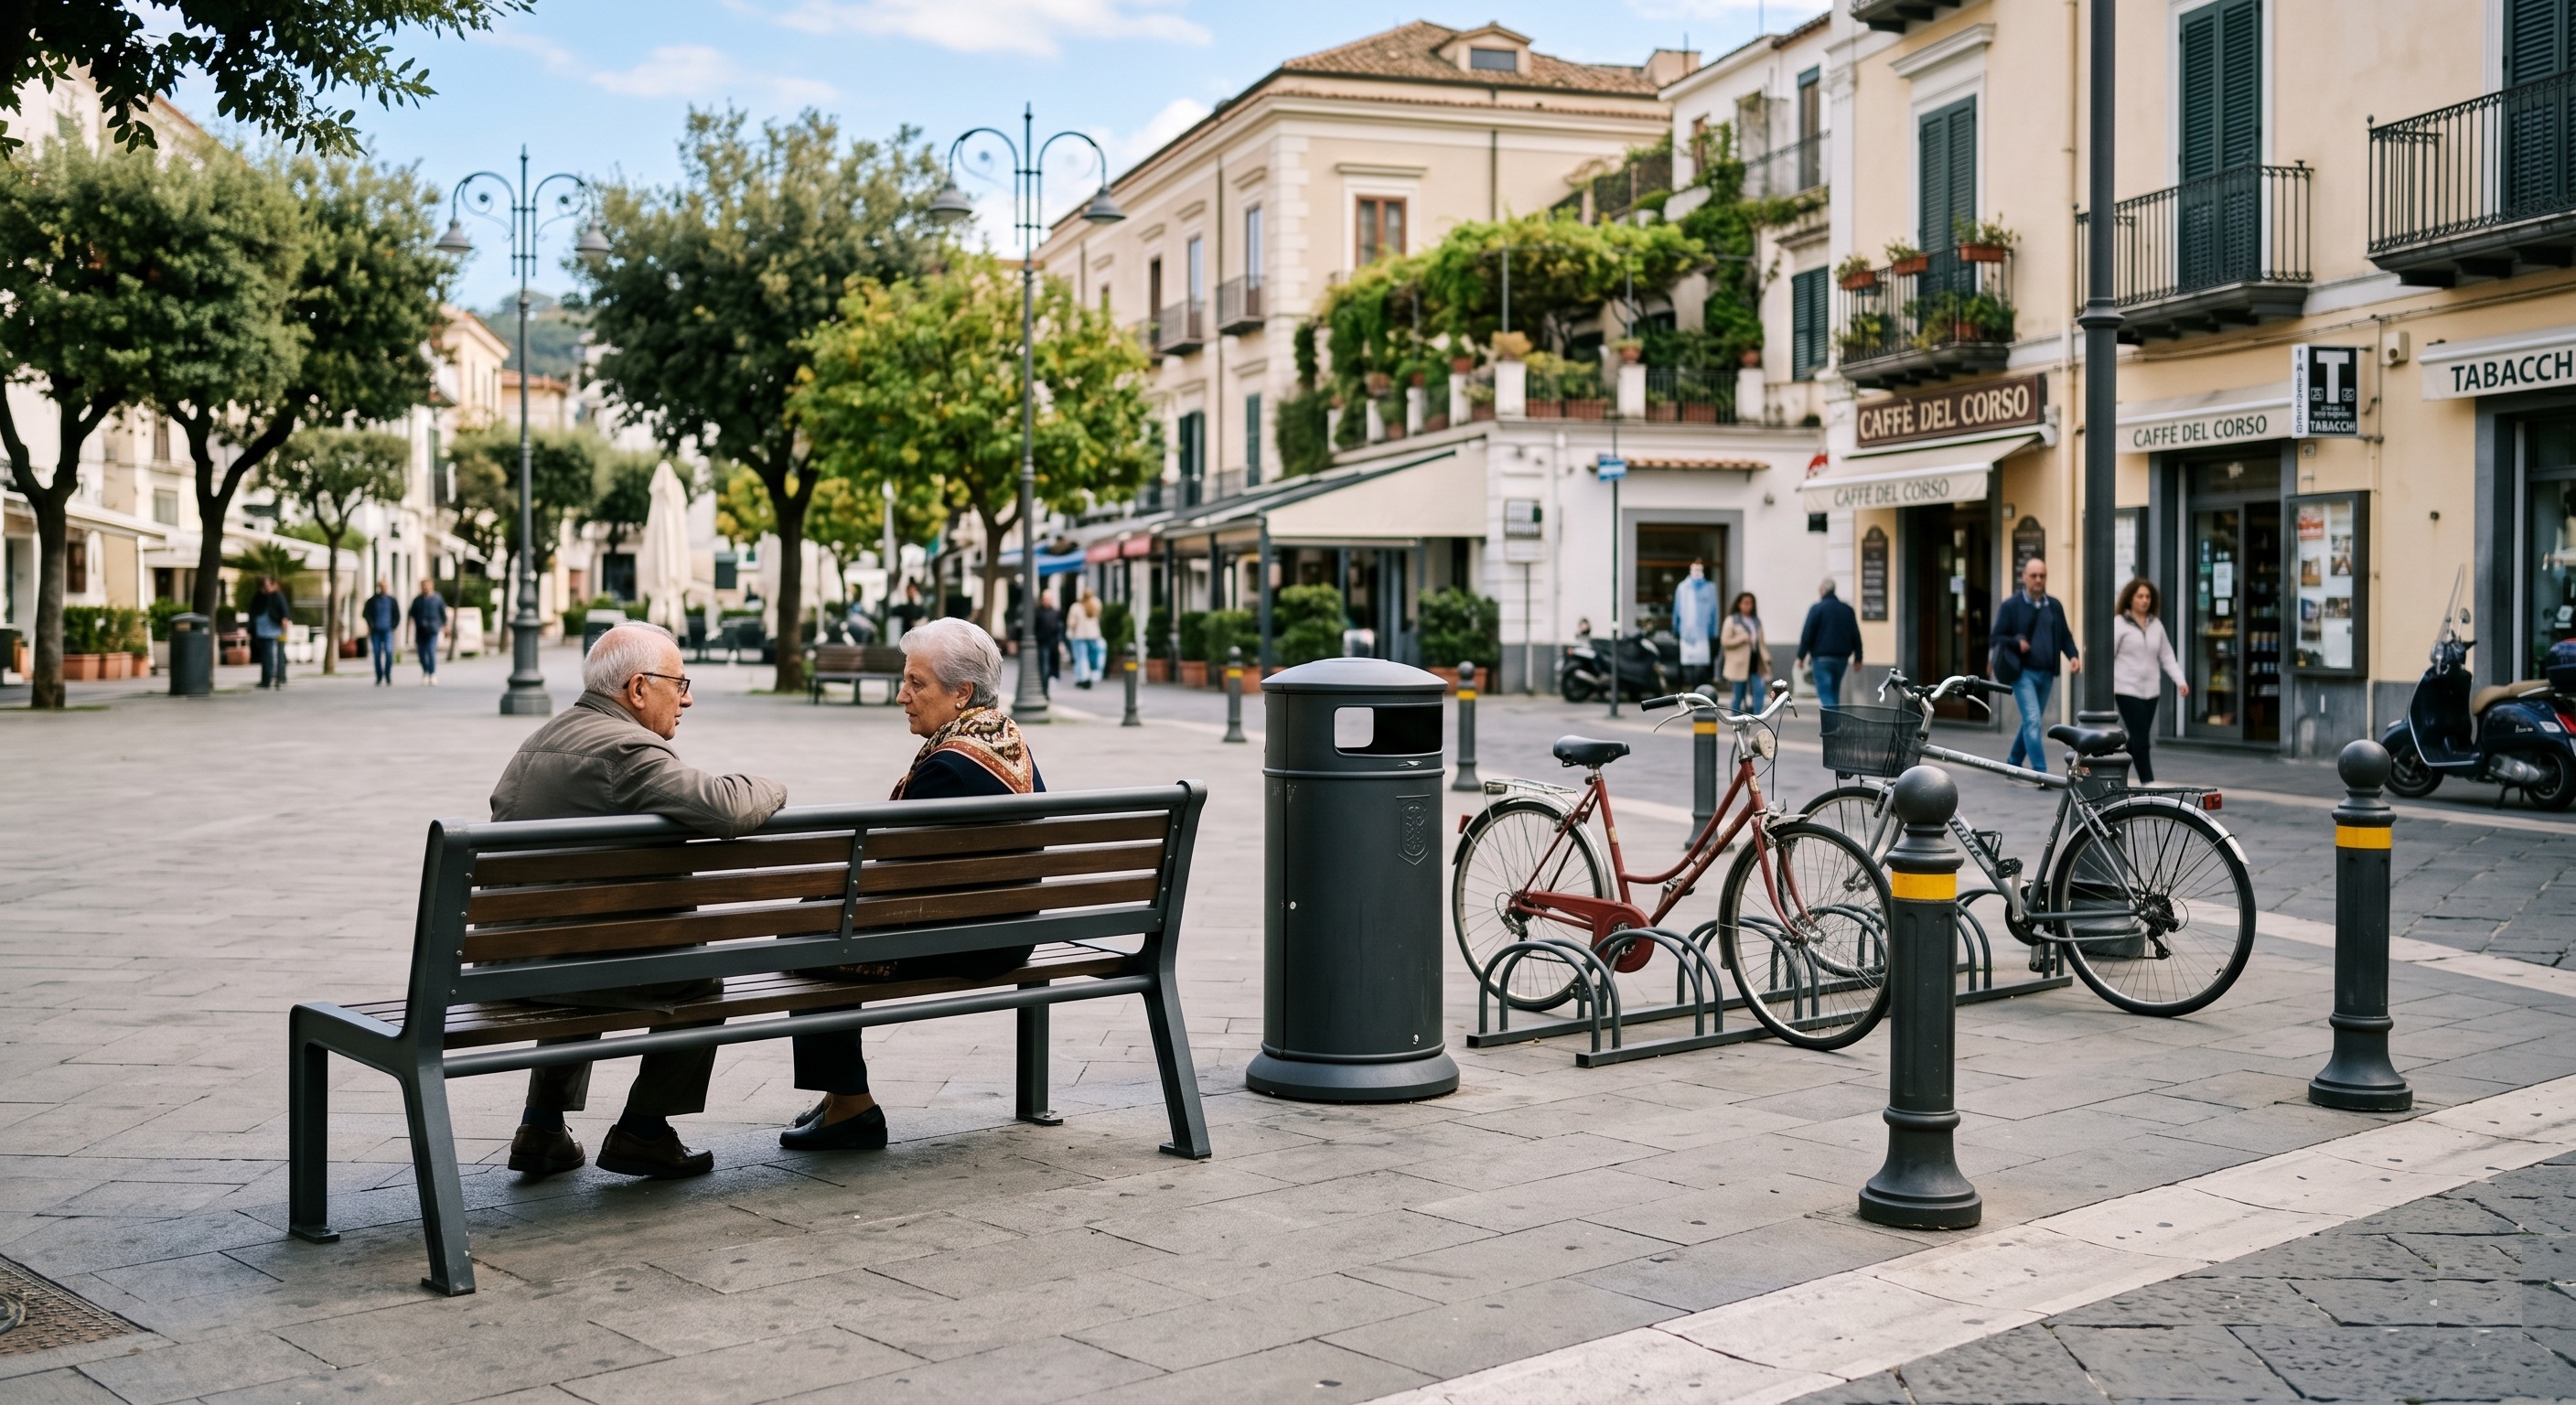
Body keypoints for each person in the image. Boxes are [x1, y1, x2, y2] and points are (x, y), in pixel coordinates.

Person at [491, 622, 789, 1181]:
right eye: (680, 684)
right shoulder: (625, 747)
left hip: (507, 962)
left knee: (581, 945)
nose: (687, 698)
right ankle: (644, 1131)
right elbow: (725, 808)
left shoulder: (539, 740)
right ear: (637, 688)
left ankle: (542, 1127)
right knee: (700, 983)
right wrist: (774, 786)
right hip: (564, 964)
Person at [782, 618, 1044, 1152]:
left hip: (968, 940)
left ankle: (850, 1105)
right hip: (1009, 927)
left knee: (808, 935)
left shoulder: (951, 767)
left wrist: (821, 901)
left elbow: (889, 869)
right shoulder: (1004, 737)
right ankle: (838, 1098)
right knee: (820, 919)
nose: (902, 695)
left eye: (916, 683)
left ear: (961, 693)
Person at [1992, 556, 2082, 773]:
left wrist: (2073, 656)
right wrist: (2017, 642)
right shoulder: (2011, 605)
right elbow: (1996, 637)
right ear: (2024, 577)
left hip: (2047, 674)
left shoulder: (2054, 605)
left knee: (2030, 721)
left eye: (2042, 576)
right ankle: (2040, 773)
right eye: (2033, 576)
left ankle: (2013, 763)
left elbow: (2065, 636)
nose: (2038, 580)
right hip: (2023, 673)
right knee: (2033, 721)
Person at [2111, 577, 2189, 783]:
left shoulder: (2156, 625)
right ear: (2130, 599)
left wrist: (2180, 681)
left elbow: (2167, 656)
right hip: (2126, 689)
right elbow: (2107, 657)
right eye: (2140, 596)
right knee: (2142, 740)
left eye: (2148, 597)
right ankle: (2148, 782)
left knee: (2138, 738)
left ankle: (2116, 761)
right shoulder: (2119, 623)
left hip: (2151, 692)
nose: (2145, 600)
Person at [1797, 575, 1863, 709]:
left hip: (1821, 658)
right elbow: (1855, 634)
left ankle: (1832, 720)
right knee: (1834, 691)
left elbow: (1807, 634)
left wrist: (1801, 657)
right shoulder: (1847, 609)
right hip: (1841, 659)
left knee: (1825, 694)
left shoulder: (1816, 609)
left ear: (1822, 590)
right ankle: (1835, 719)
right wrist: (1858, 658)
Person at [1672, 560, 1719, 689]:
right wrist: (1676, 630)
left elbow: (1714, 611)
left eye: (1699, 569)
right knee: (1687, 666)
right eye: (1695, 569)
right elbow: (1677, 610)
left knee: (1701, 667)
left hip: (1703, 634)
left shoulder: (1710, 588)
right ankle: (1689, 691)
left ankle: (1699, 691)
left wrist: (1713, 633)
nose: (1697, 572)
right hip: (1686, 634)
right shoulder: (1683, 588)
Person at [1720, 591, 1767, 713]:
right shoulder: (1732, 620)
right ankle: (1734, 717)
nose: (1748, 606)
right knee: (1738, 693)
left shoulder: (1755, 621)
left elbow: (1761, 642)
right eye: (1745, 603)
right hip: (1739, 663)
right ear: (1739, 604)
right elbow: (1725, 641)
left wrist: (1766, 657)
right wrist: (1742, 639)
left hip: (1755, 661)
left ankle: (1757, 716)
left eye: (1751, 603)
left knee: (1759, 690)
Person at [248, 576, 290, 689]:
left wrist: (284, 619)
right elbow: (253, 611)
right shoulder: (259, 597)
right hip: (262, 628)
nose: (266, 589)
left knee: (272, 654)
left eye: (268, 586)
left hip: (274, 627)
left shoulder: (277, 596)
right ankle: (268, 678)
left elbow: (284, 609)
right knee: (266, 654)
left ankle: (274, 677)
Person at [407, 579, 449, 686]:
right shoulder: (417, 600)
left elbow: (443, 613)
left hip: (433, 629)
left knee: (431, 651)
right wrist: (410, 623)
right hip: (420, 629)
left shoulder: (438, 598)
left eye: (427, 585)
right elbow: (411, 613)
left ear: (432, 586)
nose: (425, 588)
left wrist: (445, 626)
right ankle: (425, 671)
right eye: (424, 586)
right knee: (421, 653)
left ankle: (432, 673)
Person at [361, 579, 401, 686]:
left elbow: (397, 615)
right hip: (376, 631)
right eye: (381, 586)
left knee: (388, 652)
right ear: (378, 587)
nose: (383, 588)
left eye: (385, 586)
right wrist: (370, 623)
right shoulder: (372, 600)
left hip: (388, 630)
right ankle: (379, 676)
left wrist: (393, 625)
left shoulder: (392, 601)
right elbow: (365, 613)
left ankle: (387, 674)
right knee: (377, 653)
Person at [1068, 589, 1105, 689]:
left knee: (1081, 658)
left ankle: (1083, 678)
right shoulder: (1096, 604)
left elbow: (1071, 623)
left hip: (1079, 635)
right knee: (1091, 657)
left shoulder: (1076, 607)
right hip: (1093, 635)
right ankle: (1090, 676)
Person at [1033, 593, 1064, 696]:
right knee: (1045, 668)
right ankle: (1044, 691)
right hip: (1043, 644)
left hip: (1053, 644)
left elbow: (1060, 629)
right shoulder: (1038, 613)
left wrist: (1061, 643)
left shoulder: (1056, 612)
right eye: (1045, 599)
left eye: (1048, 599)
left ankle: (1046, 688)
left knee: (1052, 668)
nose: (1046, 601)